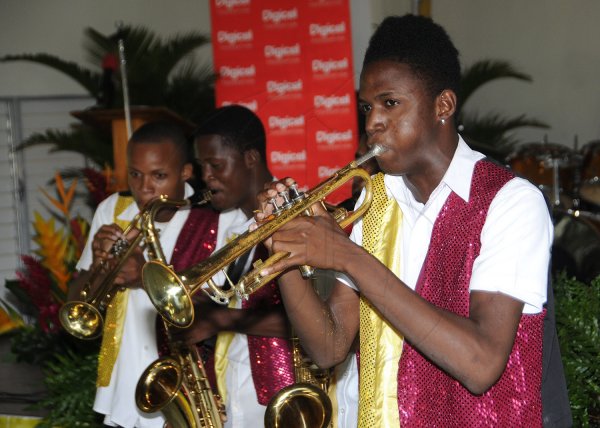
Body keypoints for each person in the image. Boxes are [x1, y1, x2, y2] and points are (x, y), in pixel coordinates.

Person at [255, 15, 568, 426]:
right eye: (367, 108)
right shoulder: (376, 199)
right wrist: (285, 257)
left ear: (443, 105)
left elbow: (480, 364)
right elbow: (329, 347)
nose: (372, 123)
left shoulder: (511, 202)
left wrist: (348, 256)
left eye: (390, 103)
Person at [68, 121, 219, 428]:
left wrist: (142, 279)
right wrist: (99, 266)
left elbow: (216, 311)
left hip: (186, 386)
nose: (144, 187)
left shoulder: (210, 219)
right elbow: (75, 298)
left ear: (186, 173)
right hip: (124, 382)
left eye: (158, 176)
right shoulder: (112, 209)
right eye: (135, 174)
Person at [176, 105, 297, 427]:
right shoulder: (224, 226)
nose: (207, 177)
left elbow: (313, 320)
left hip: (284, 399)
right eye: (203, 166)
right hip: (230, 396)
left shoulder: (298, 216)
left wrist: (221, 319)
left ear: (250, 159)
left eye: (216, 165)